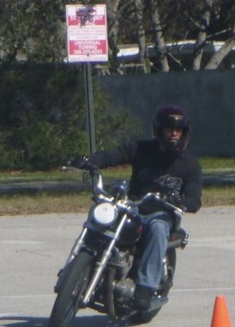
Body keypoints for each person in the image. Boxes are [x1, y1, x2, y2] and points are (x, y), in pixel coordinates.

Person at [73, 105, 202, 310]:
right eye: (170, 129)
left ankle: (145, 287)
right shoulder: (141, 149)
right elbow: (113, 155)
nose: (174, 134)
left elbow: (195, 199)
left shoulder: (189, 164)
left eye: (179, 130)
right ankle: (79, 266)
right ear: (159, 131)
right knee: (101, 216)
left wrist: (181, 201)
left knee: (159, 228)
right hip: (133, 206)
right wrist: (89, 161)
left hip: (161, 212)